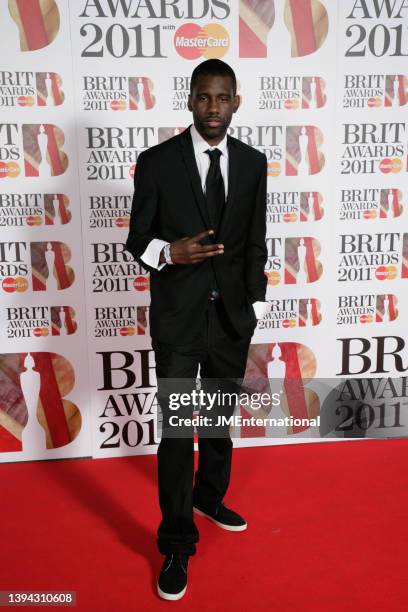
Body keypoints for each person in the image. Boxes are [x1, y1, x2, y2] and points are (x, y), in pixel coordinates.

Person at [125, 58, 269, 601]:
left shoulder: (254, 164)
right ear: (190, 100)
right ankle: (176, 543)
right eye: (204, 97)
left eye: (222, 98)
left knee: (218, 421)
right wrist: (169, 251)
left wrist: (252, 300)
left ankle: (210, 496)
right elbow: (137, 238)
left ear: (236, 101)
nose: (213, 108)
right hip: (179, 321)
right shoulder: (157, 162)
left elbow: (255, 238)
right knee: (176, 431)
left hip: (231, 317)